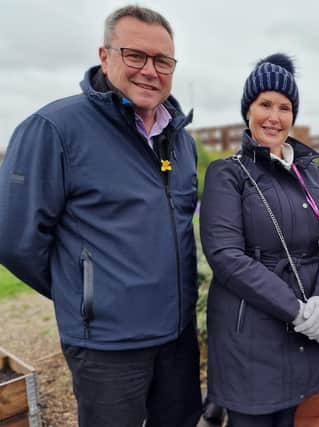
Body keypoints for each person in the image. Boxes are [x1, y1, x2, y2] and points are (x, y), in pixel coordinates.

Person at [0, 6, 202, 427]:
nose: (150, 70)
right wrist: (89, 295)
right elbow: (14, 239)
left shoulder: (180, 140)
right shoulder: (54, 129)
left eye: (162, 60)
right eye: (135, 55)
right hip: (108, 346)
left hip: (177, 337)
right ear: (104, 55)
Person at [200, 53, 319, 427]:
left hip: (307, 330)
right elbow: (226, 255)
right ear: (247, 110)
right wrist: (297, 312)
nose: (274, 116)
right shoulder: (226, 174)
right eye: (265, 104)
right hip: (250, 336)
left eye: (284, 107)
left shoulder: (310, 174)